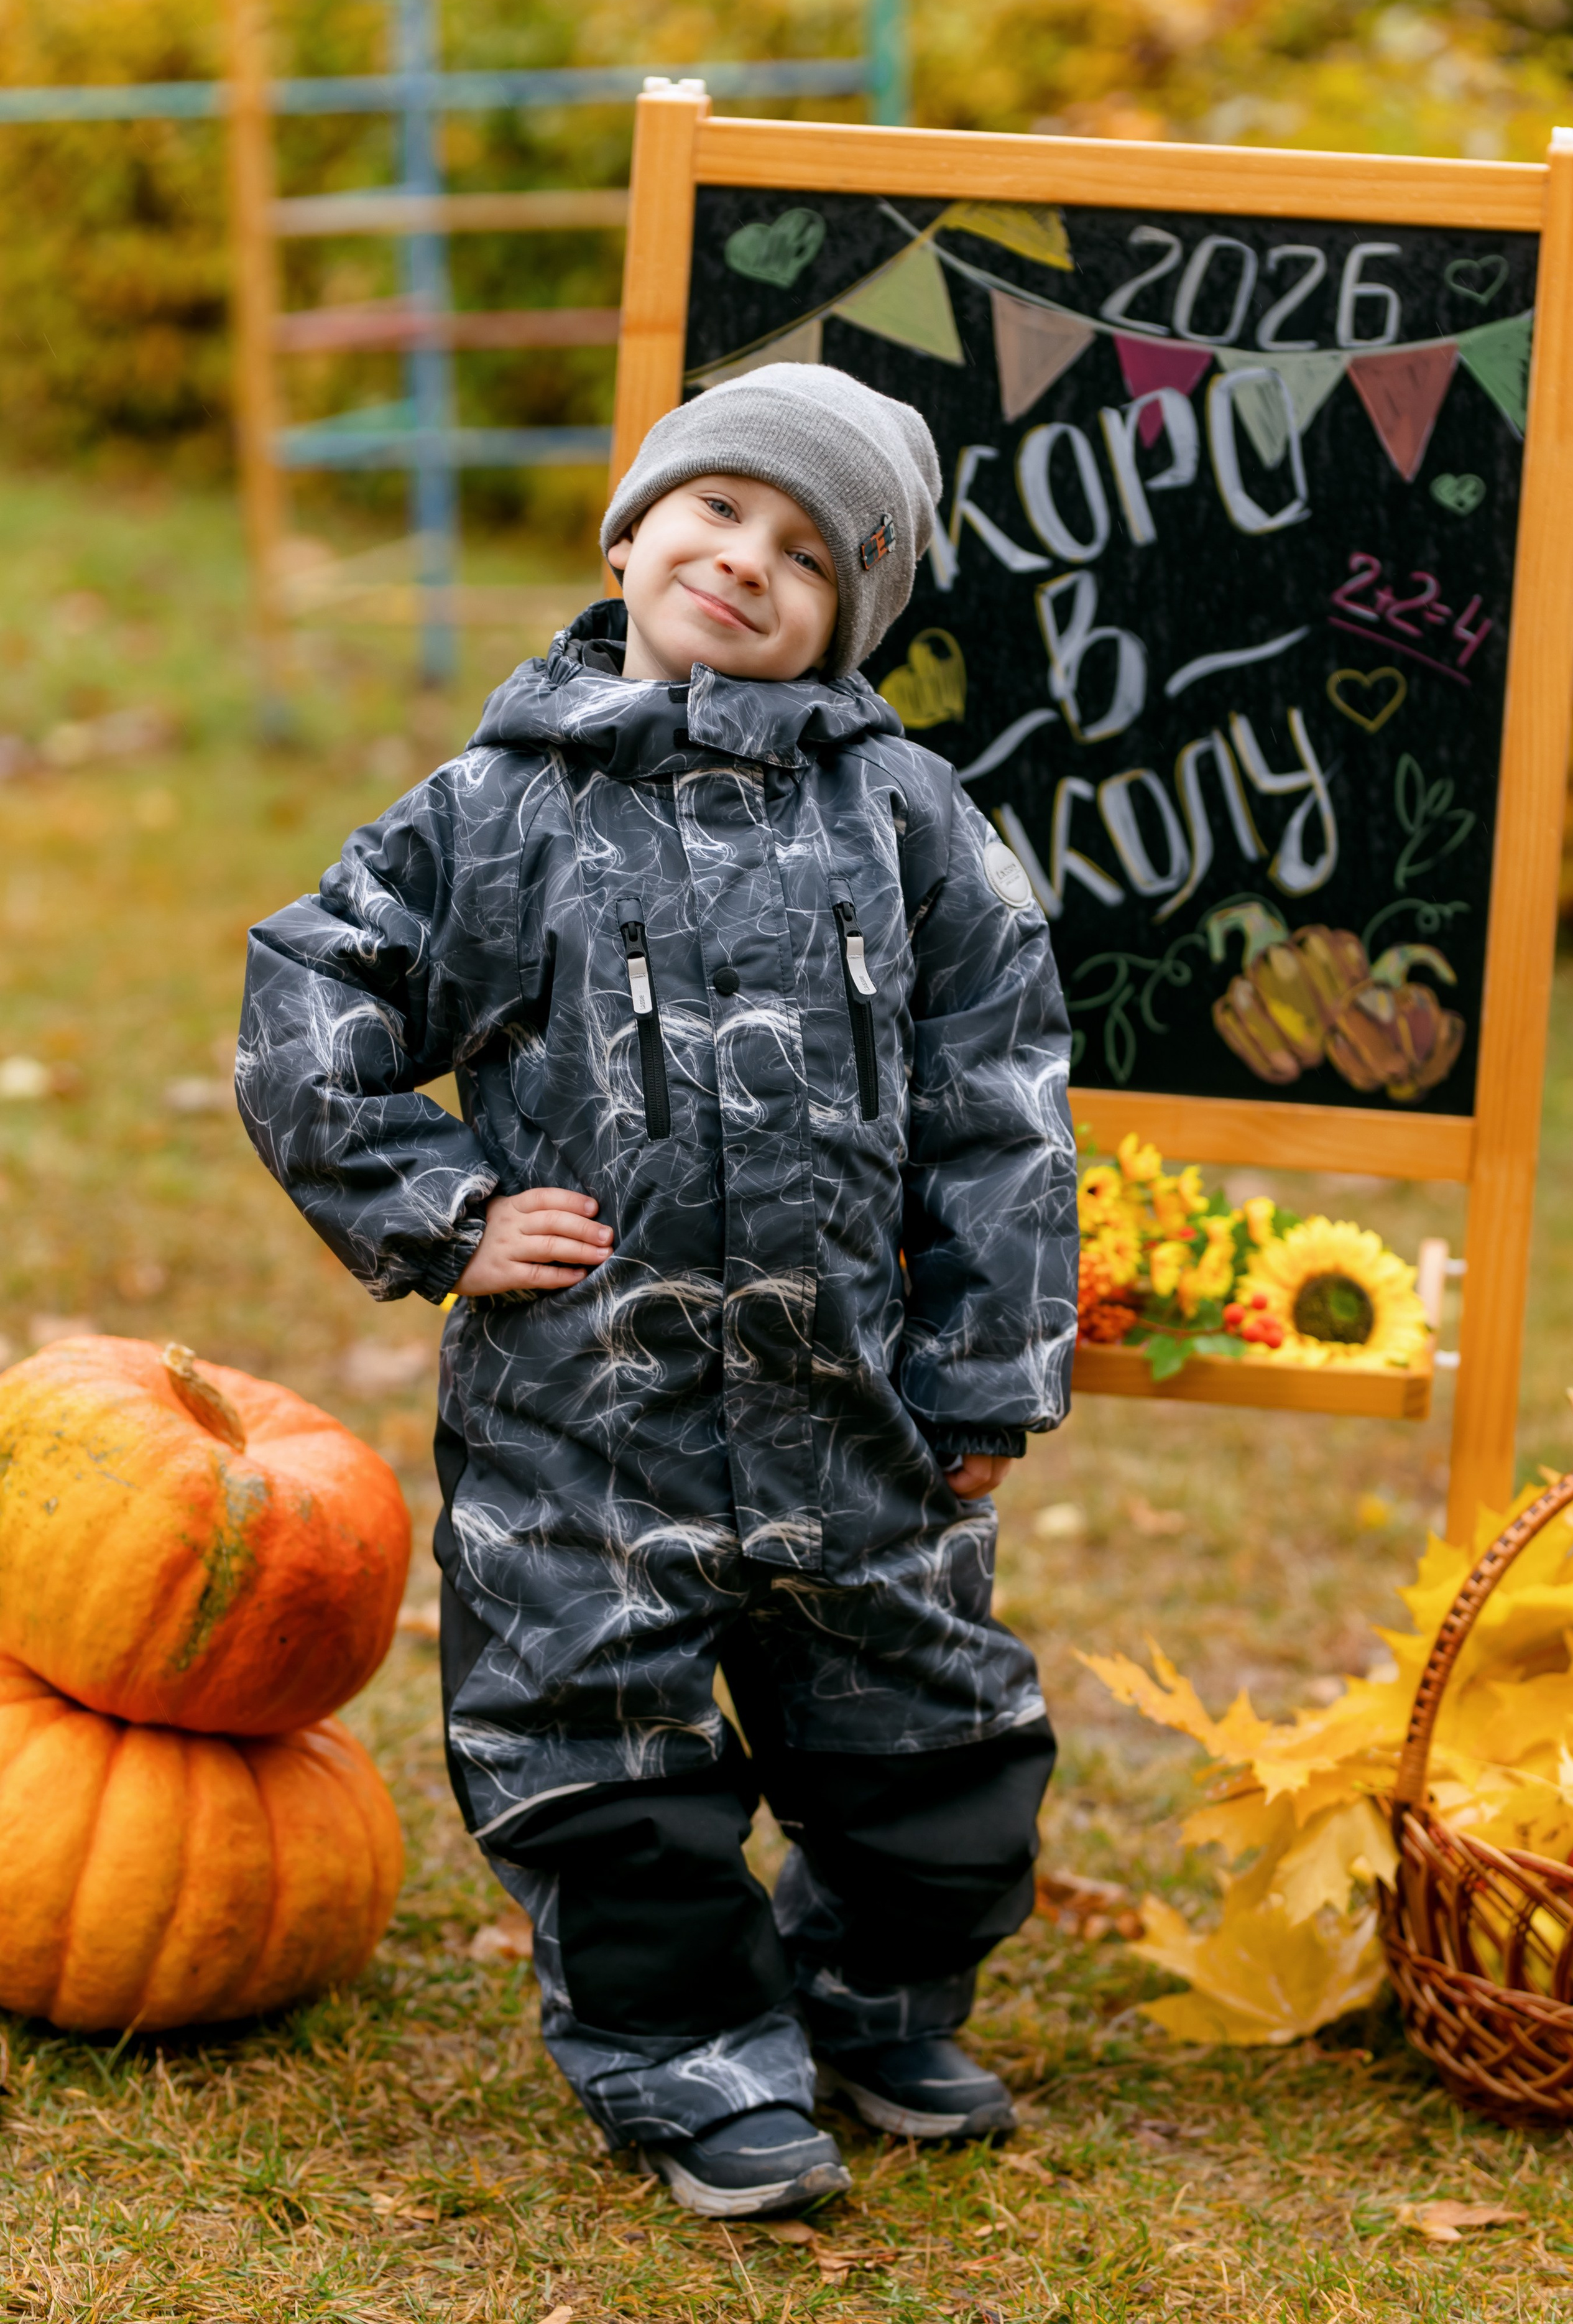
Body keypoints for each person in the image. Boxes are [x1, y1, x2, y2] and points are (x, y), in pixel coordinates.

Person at [238, 363, 1078, 2220]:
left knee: (940, 1766)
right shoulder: (491, 809)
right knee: (603, 1774)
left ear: (848, 623)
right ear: (629, 528)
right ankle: (690, 2061)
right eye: (718, 511)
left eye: (810, 556)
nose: (747, 564)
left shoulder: (915, 819)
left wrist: (988, 1376)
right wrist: (450, 1212)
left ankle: (869, 1992)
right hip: (581, 1429)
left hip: (856, 1422)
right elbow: (311, 1004)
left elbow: (1001, 1103)